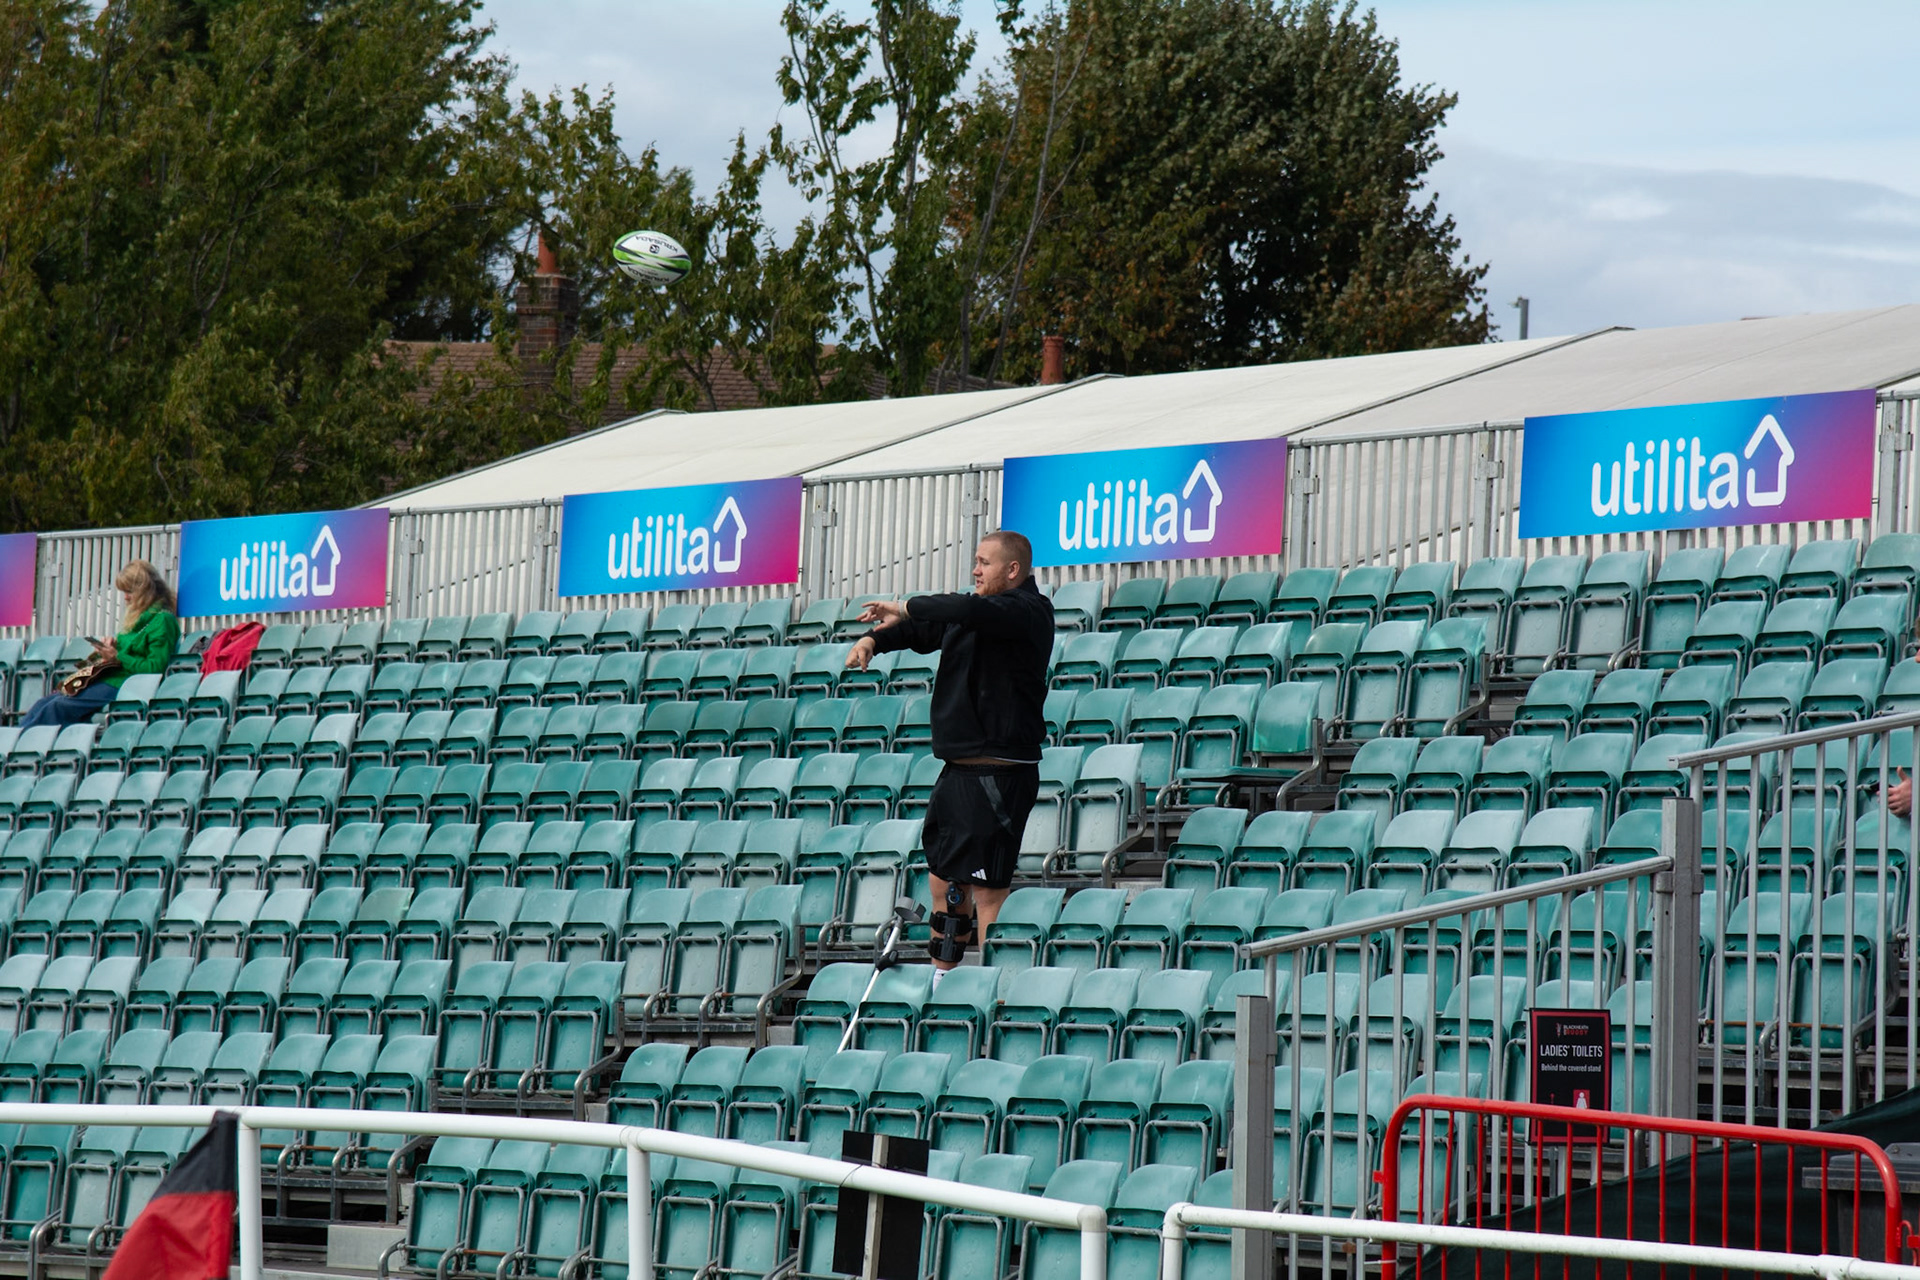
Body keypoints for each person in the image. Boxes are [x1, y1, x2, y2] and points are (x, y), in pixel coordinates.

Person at [845, 530, 1054, 977]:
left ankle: (996, 995)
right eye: (974, 561)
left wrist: (903, 605)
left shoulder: (1026, 611)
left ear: (1012, 570)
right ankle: (945, 982)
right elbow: (927, 628)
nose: (975, 570)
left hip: (999, 772)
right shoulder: (975, 610)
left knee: (987, 891)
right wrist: (873, 641)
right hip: (958, 770)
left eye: (984, 563)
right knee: (944, 880)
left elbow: (963, 609)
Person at [20, 560, 180, 728]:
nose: (125, 597)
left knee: (57, 707)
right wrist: (111, 647)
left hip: (125, 683)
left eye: (130, 591)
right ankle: (13, 742)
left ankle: (21, 748)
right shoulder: (139, 617)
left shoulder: (162, 620)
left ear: (144, 591)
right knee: (44, 703)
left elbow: (155, 668)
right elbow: (131, 651)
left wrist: (118, 657)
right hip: (112, 678)